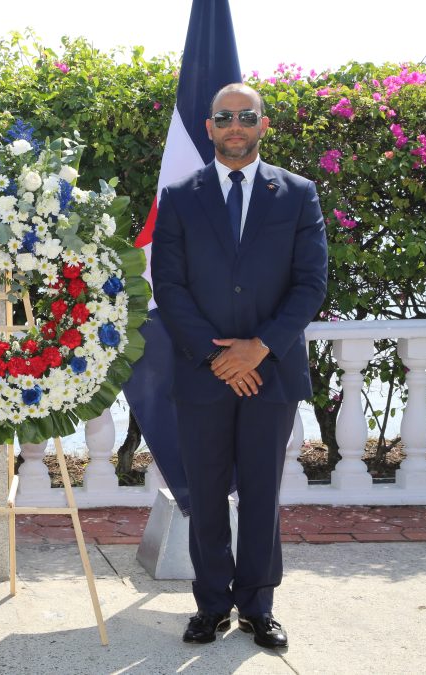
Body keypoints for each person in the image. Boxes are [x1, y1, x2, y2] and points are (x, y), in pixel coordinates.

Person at [151, 83, 328, 650]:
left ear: (262, 124)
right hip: (202, 371)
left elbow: (310, 285)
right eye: (224, 117)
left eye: (244, 117)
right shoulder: (179, 196)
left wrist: (259, 347)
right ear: (208, 127)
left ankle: (258, 606)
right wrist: (217, 354)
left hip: (270, 372)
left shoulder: (297, 194)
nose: (234, 125)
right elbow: (170, 286)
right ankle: (210, 605)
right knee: (204, 493)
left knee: (260, 492)